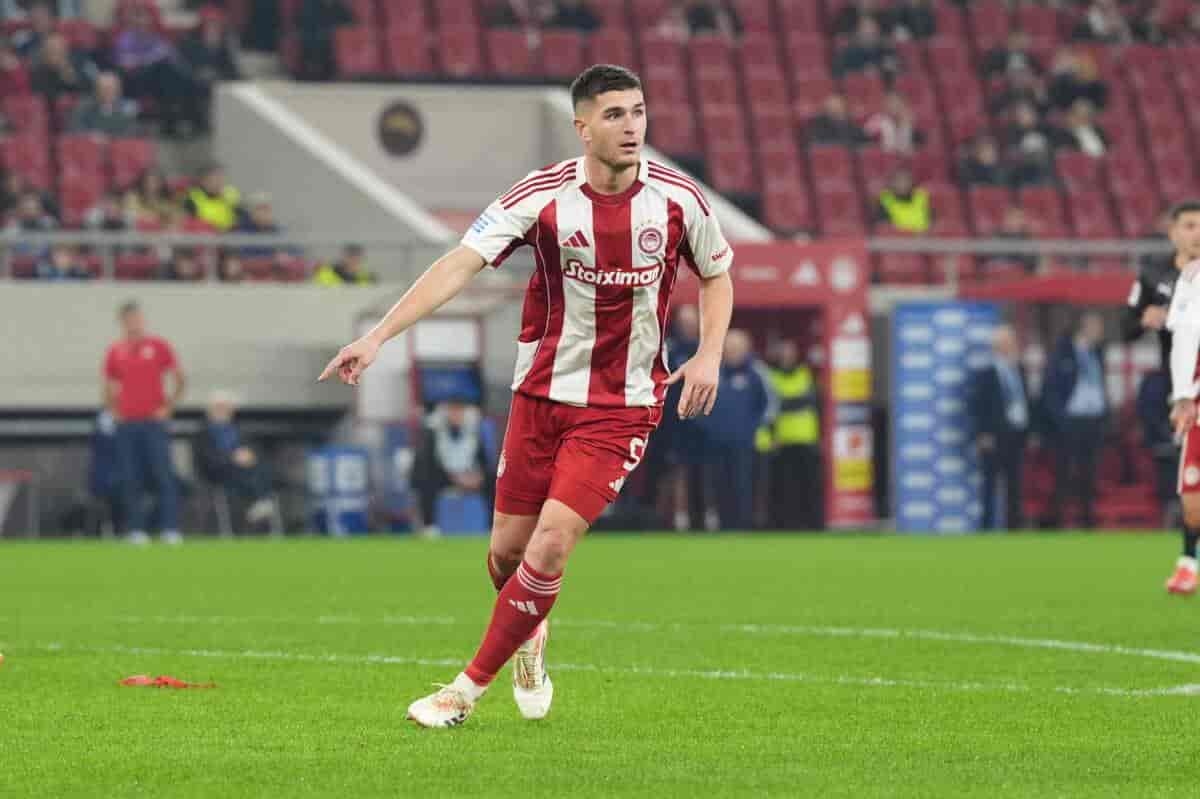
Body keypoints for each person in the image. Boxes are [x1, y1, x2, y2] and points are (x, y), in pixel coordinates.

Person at [318, 64, 734, 728]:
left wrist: (709, 352)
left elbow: (716, 274)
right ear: (583, 128)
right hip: (539, 396)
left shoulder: (679, 200)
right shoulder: (541, 195)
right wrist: (378, 337)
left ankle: (461, 692)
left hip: (622, 405)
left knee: (551, 543)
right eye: (615, 114)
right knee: (506, 555)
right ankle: (530, 633)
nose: (631, 126)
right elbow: (459, 264)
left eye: (638, 112)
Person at [1124, 200, 1200, 592]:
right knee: (1186, 483)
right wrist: (1144, 320)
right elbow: (1125, 329)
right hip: (1178, 389)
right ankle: (1188, 557)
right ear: (1172, 232)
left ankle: (1188, 561)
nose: (1197, 233)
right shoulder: (1154, 275)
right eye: (1189, 225)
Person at [103, 301, 186, 545]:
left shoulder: (158, 346)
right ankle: (136, 530)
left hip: (153, 422)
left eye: (137, 318)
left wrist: (168, 406)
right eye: (129, 320)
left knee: (163, 474)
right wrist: (113, 410)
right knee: (130, 476)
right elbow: (108, 385)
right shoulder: (116, 351)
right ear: (122, 322)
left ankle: (170, 528)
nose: (134, 324)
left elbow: (179, 378)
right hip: (127, 424)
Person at [695, 330, 772, 530]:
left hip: (744, 443)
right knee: (719, 484)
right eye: (728, 348)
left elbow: (769, 405)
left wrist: (751, 428)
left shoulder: (756, 373)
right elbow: (696, 406)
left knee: (743, 484)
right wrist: (709, 428)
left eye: (737, 349)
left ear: (746, 349)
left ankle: (743, 525)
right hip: (715, 443)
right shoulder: (711, 372)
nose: (732, 353)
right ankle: (723, 524)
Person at [1040, 312, 1107, 529]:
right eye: (1096, 328)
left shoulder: (1097, 353)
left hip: (1092, 421)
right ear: (1084, 328)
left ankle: (1087, 520)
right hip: (1070, 422)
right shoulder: (1063, 352)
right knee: (1064, 471)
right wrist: (1061, 419)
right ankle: (1059, 521)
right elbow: (1050, 390)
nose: (1100, 333)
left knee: (1089, 473)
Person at [968, 325, 1031, 530]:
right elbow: (977, 406)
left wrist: (1029, 430)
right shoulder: (986, 374)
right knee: (989, 487)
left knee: (1015, 486)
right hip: (993, 438)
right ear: (998, 346)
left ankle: (1014, 529)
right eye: (1008, 343)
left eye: (1013, 342)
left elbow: (1026, 400)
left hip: (1016, 435)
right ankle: (986, 529)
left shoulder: (1020, 370)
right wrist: (982, 434)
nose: (1013, 346)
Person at [759, 339, 821, 530]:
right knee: (783, 487)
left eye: (790, 353)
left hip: (805, 438)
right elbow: (769, 407)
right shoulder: (772, 376)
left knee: (809, 485)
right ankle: (784, 524)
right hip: (782, 440)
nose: (787, 357)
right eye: (783, 353)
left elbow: (812, 401)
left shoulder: (805, 374)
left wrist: (784, 402)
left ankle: (812, 524)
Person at [411, 397, 497, 533]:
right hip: (444, 476)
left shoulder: (474, 429)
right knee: (425, 480)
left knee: (494, 480)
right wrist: (454, 477)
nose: (456, 414)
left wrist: (477, 476)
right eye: (452, 410)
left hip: (469, 475)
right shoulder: (433, 430)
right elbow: (428, 463)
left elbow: (483, 461)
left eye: (459, 410)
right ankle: (429, 526)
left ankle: (493, 525)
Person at [195, 390, 277, 529]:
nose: (222, 411)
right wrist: (232, 458)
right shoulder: (203, 434)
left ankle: (261, 502)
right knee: (251, 472)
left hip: (245, 470)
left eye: (225, 407)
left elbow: (254, 450)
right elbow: (207, 459)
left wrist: (250, 456)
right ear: (210, 411)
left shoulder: (240, 430)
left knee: (262, 467)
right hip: (219, 473)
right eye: (218, 407)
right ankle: (261, 500)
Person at [69, 71, 138, 137]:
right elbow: (76, 128)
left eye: (111, 88)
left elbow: (131, 132)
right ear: (96, 90)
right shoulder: (84, 107)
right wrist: (91, 135)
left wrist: (110, 138)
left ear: (119, 89)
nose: (108, 92)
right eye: (104, 88)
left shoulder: (129, 109)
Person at [183, 163, 241, 231]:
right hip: (204, 233)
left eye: (221, 178)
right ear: (204, 180)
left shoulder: (230, 195)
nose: (219, 182)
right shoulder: (193, 197)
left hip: (229, 233)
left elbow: (240, 217)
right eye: (215, 178)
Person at [876, 167, 931, 233]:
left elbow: (931, 222)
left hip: (924, 237)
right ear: (892, 183)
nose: (902, 184)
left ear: (911, 182)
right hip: (896, 238)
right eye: (898, 180)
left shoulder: (921, 197)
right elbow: (884, 227)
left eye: (906, 180)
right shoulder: (885, 200)